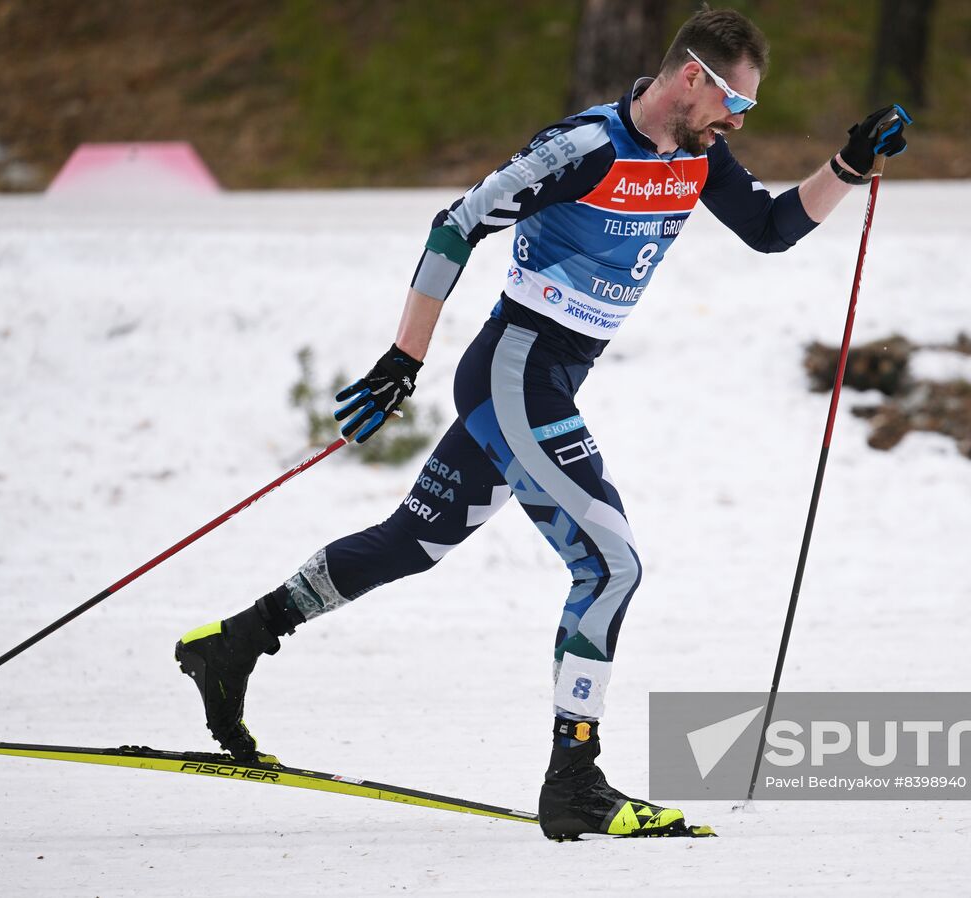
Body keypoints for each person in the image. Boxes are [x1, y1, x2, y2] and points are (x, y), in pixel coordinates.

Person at [174, 7, 909, 841]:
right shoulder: (587, 147)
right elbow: (456, 225)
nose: (740, 121)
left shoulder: (698, 159)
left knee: (409, 542)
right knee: (612, 565)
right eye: (735, 104)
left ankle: (235, 642)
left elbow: (774, 231)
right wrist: (402, 357)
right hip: (517, 372)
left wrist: (850, 163)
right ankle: (576, 782)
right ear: (692, 78)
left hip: (543, 381)